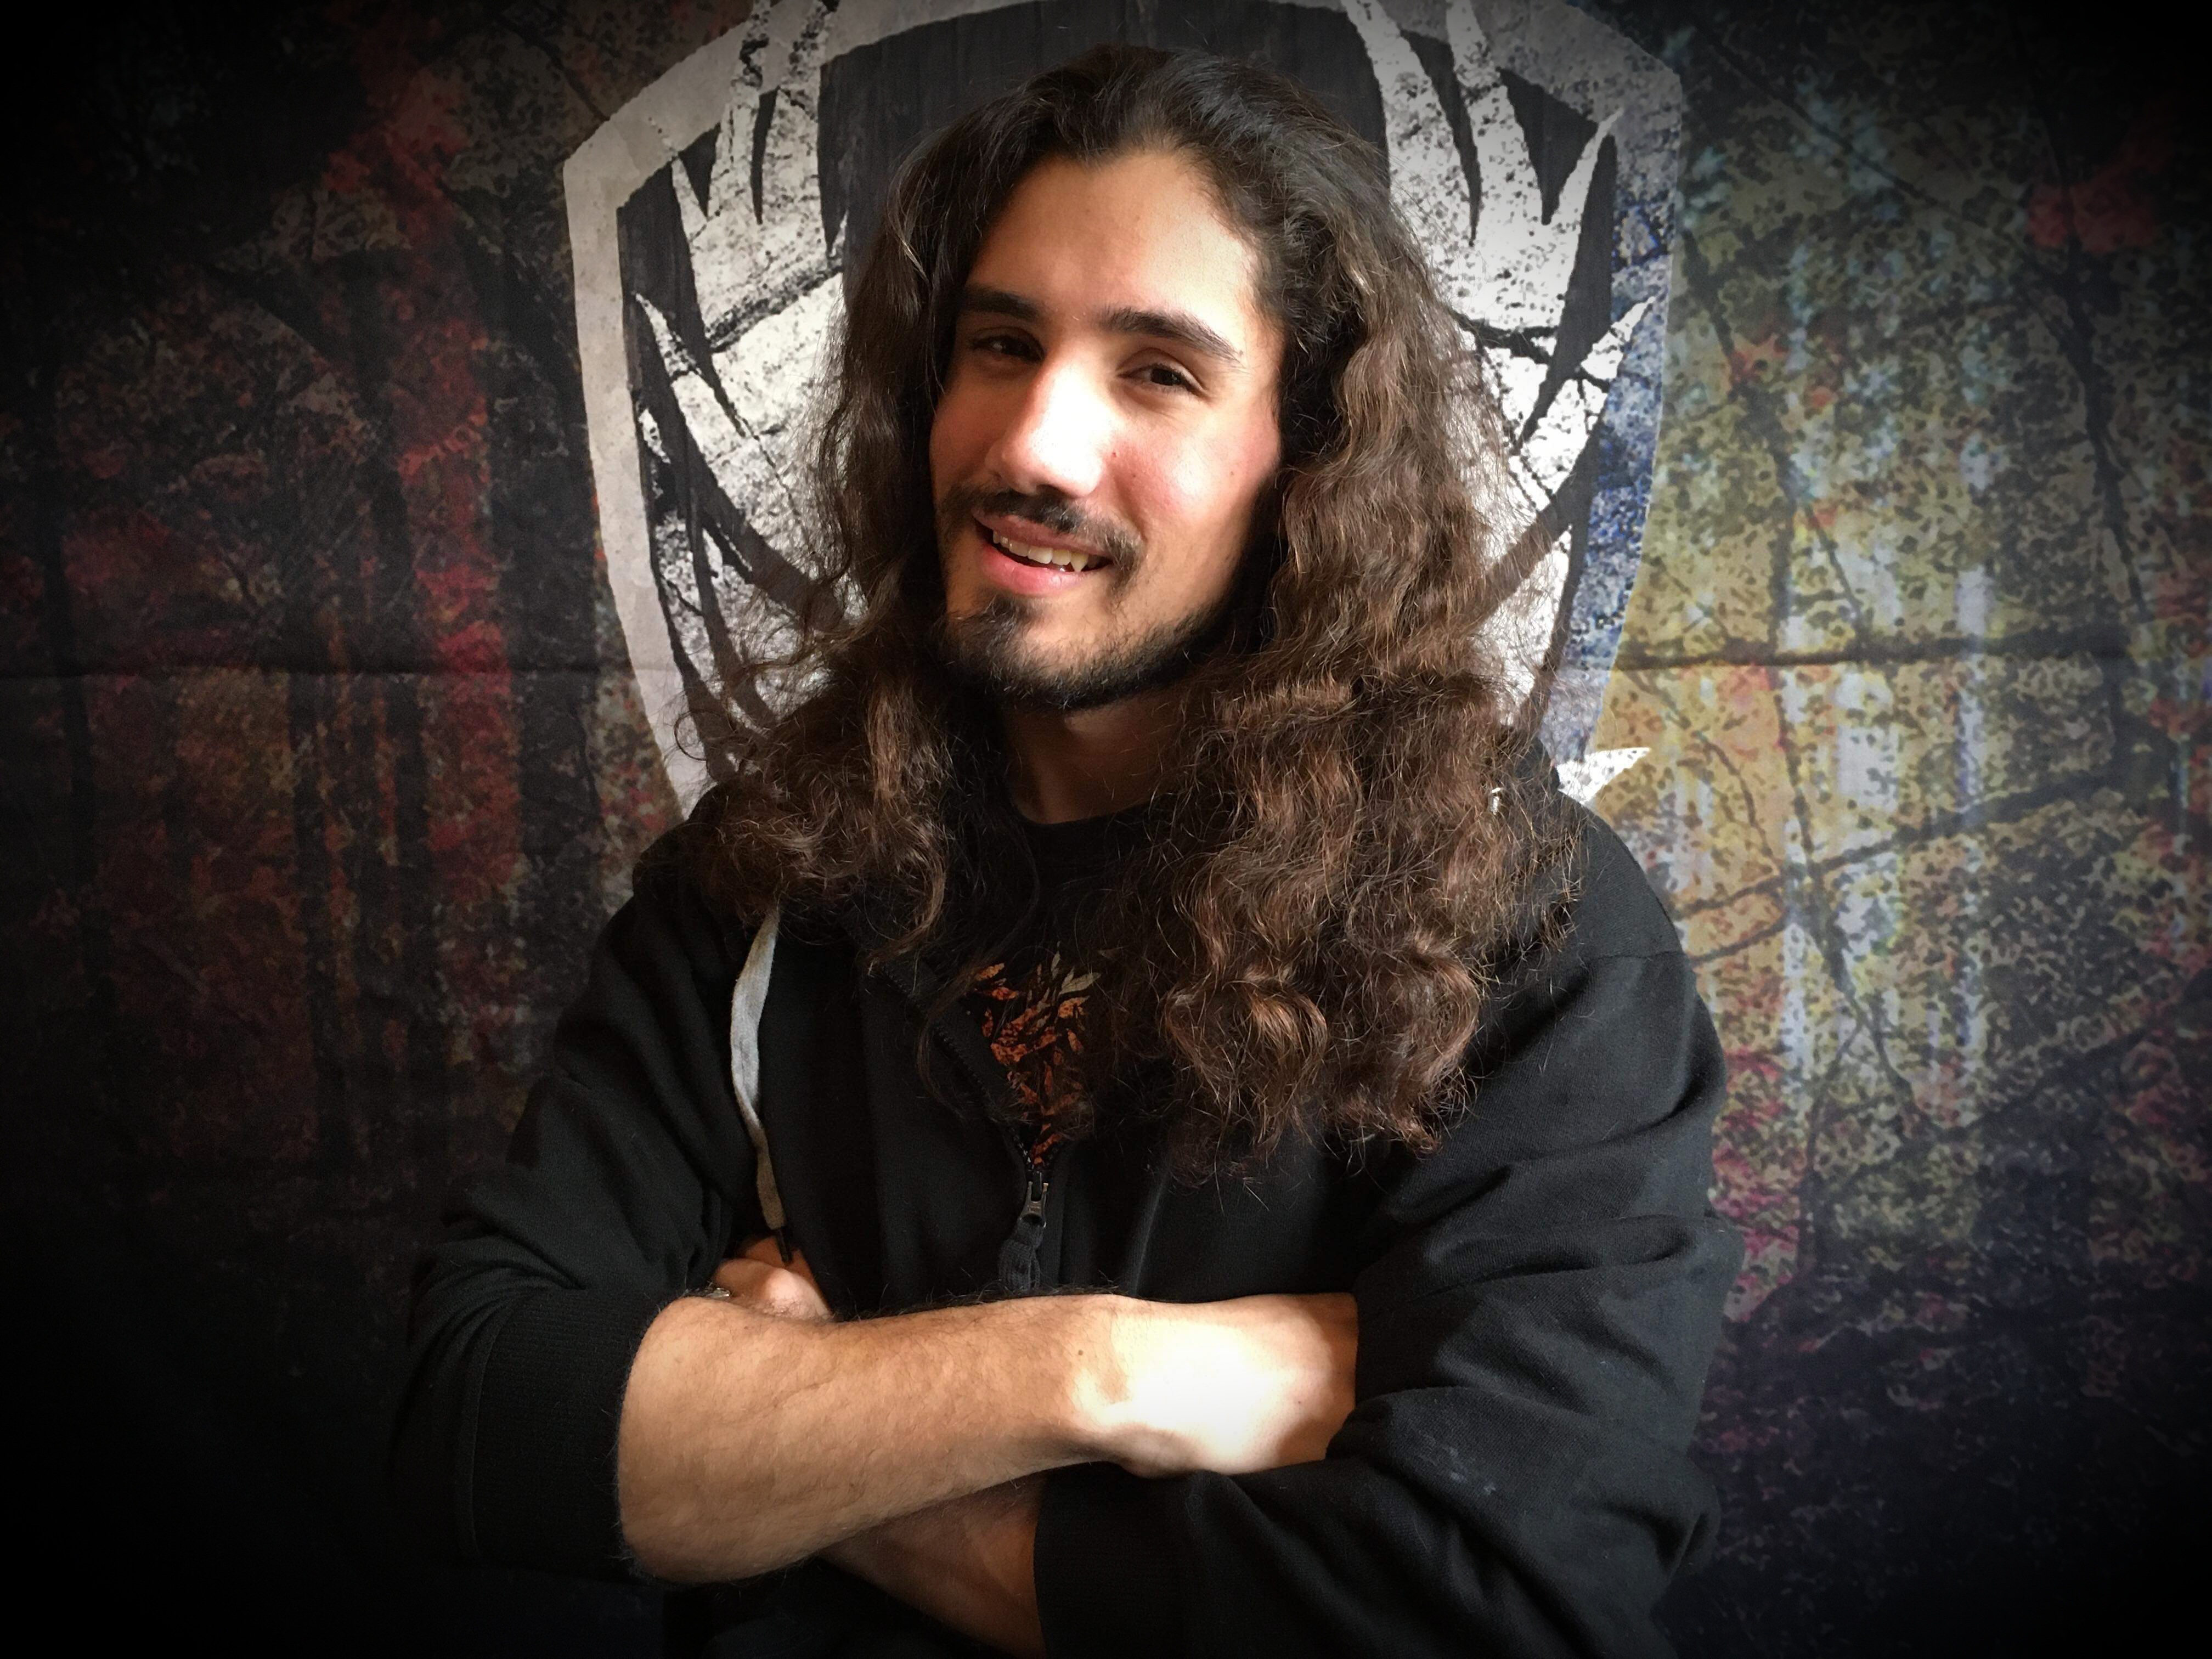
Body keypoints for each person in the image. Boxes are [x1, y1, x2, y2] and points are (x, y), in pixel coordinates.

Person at [392, 44, 1738, 1659]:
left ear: (1306, 455)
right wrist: (1114, 1374)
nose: (1035, 444)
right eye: (1002, 345)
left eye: (1157, 372)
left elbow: (1498, 1606)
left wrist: (814, 1454)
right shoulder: (765, 883)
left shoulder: (1522, 922)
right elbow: (484, 1417)